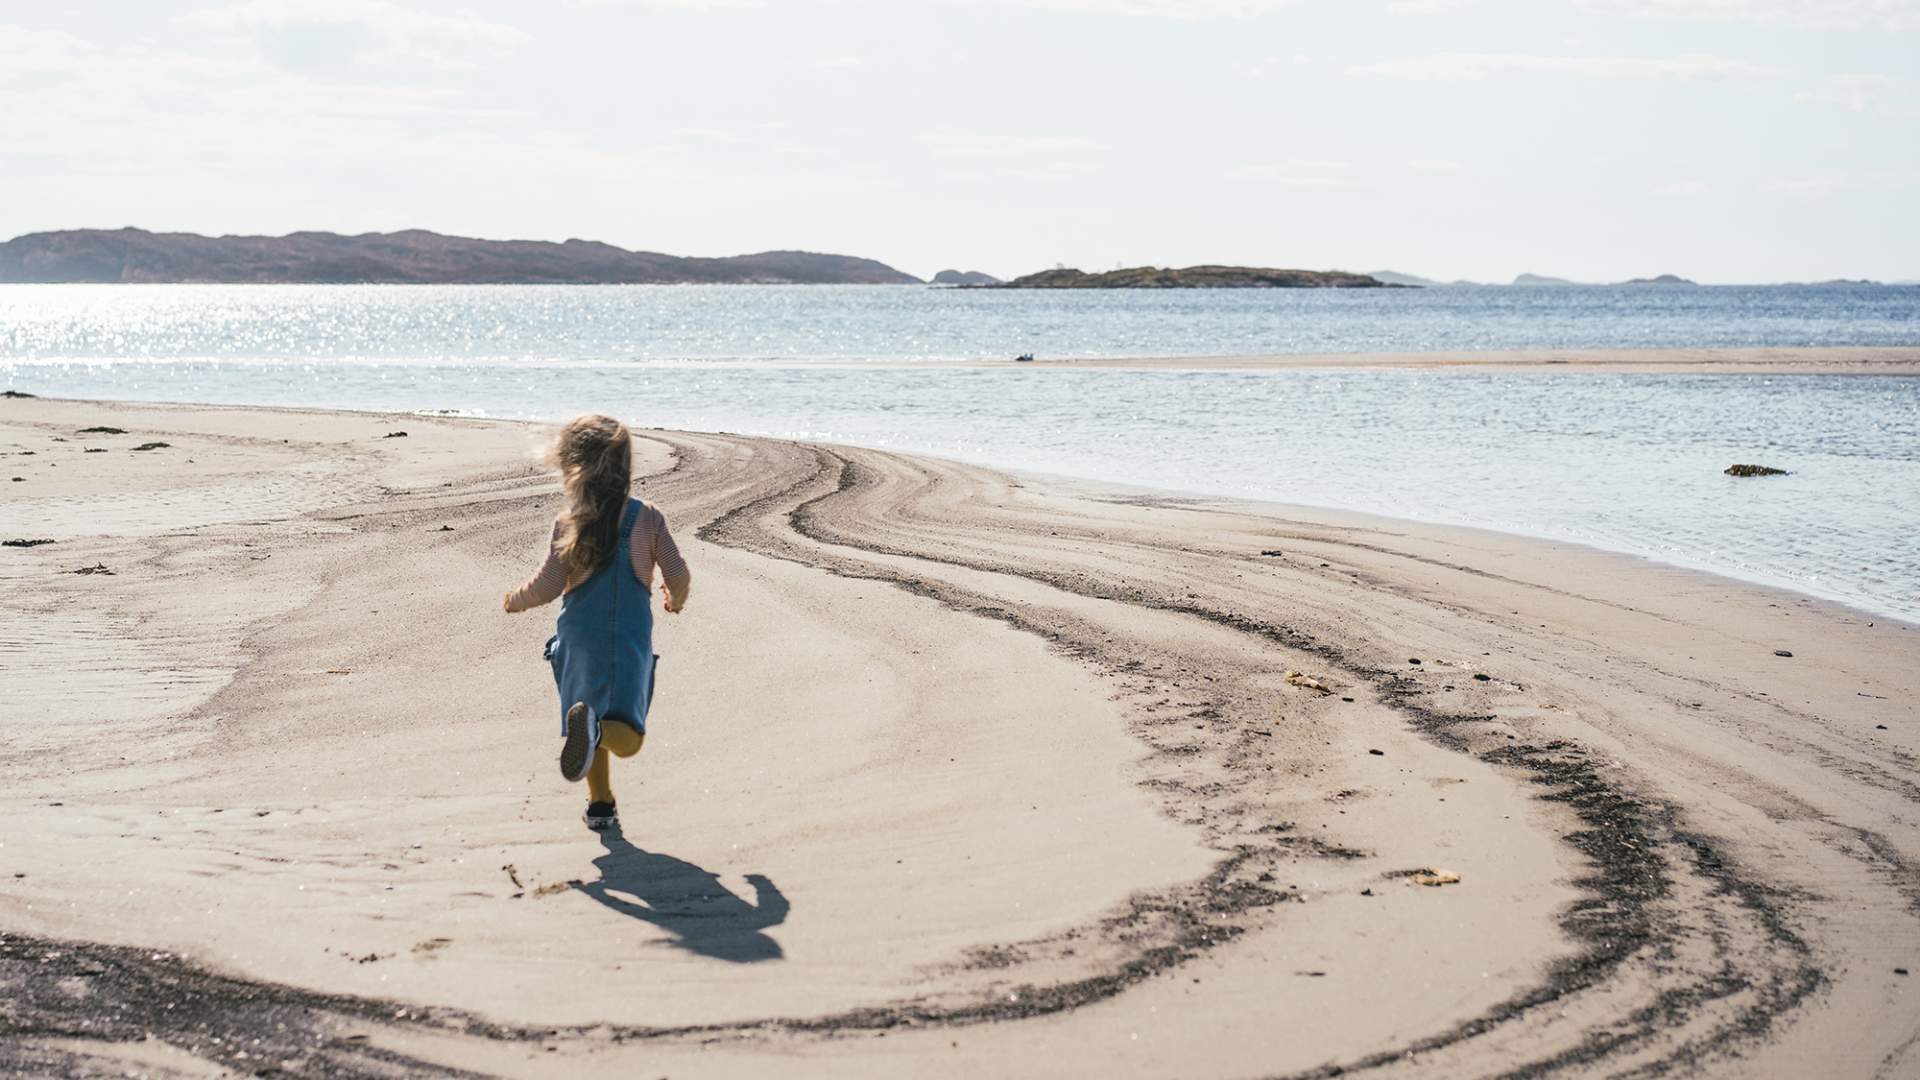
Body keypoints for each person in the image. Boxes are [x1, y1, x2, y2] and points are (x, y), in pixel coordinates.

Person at [504, 414, 691, 830]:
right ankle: (596, 739)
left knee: (586, 715)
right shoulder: (647, 518)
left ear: (570, 466)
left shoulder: (570, 521)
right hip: (627, 638)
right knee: (624, 731)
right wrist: (674, 600)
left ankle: (601, 803)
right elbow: (678, 574)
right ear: (626, 466)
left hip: (578, 638)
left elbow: (548, 585)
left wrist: (516, 600)